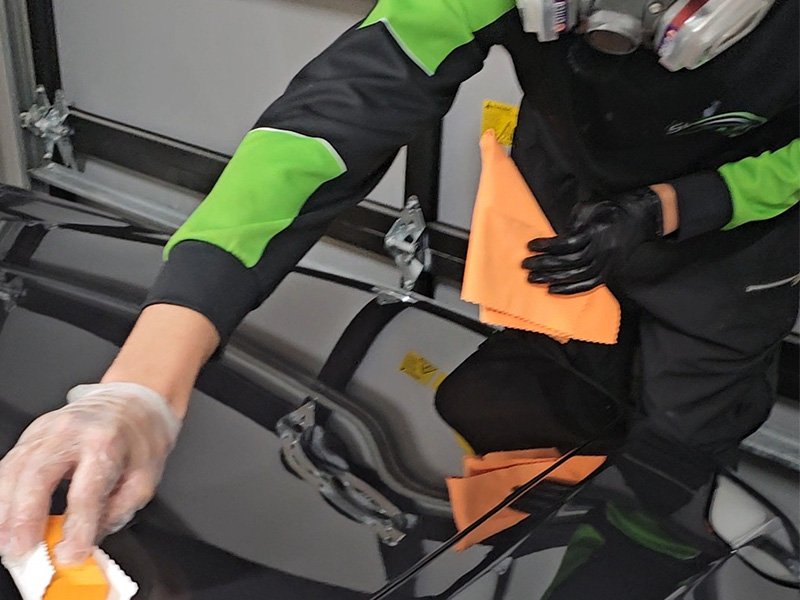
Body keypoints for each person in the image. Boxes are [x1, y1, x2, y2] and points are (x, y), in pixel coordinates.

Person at [0, 0, 797, 567]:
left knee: (679, 441)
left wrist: (683, 205)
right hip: (567, 194)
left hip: (741, 234)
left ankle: (630, 561)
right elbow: (324, 127)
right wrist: (138, 392)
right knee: (551, 387)